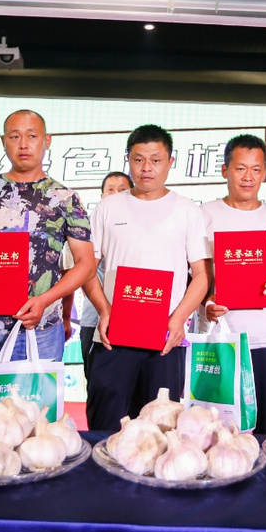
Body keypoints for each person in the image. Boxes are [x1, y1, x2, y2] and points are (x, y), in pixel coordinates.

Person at [0, 110, 95, 415]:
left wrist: (45, 300)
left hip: (38, 329)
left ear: (47, 141)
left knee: (34, 425)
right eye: (15, 136)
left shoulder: (64, 198)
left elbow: (85, 264)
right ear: (4, 142)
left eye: (32, 135)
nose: (23, 144)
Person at [84, 124, 210, 430]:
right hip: (113, 335)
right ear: (128, 159)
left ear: (170, 161)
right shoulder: (107, 208)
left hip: (165, 338)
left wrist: (179, 319)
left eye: (155, 160)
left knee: (160, 431)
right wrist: (104, 310)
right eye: (138, 159)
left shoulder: (188, 211)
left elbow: (201, 276)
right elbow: (86, 268)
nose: (146, 168)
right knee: (105, 428)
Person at [202, 134, 266, 433]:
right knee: (216, 434)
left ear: (265, 172)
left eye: (256, 169)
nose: (248, 177)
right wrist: (206, 303)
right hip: (220, 340)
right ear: (225, 170)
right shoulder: (203, 215)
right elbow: (193, 277)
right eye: (240, 168)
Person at [61, 171, 132, 388]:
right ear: (102, 197)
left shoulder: (143, 230)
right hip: (94, 320)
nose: (116, 194)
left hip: (134, 320)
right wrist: (66, 317)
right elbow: (72, 274)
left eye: (122, 190)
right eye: (111, 190)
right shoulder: (84, 231)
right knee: (97, 387)